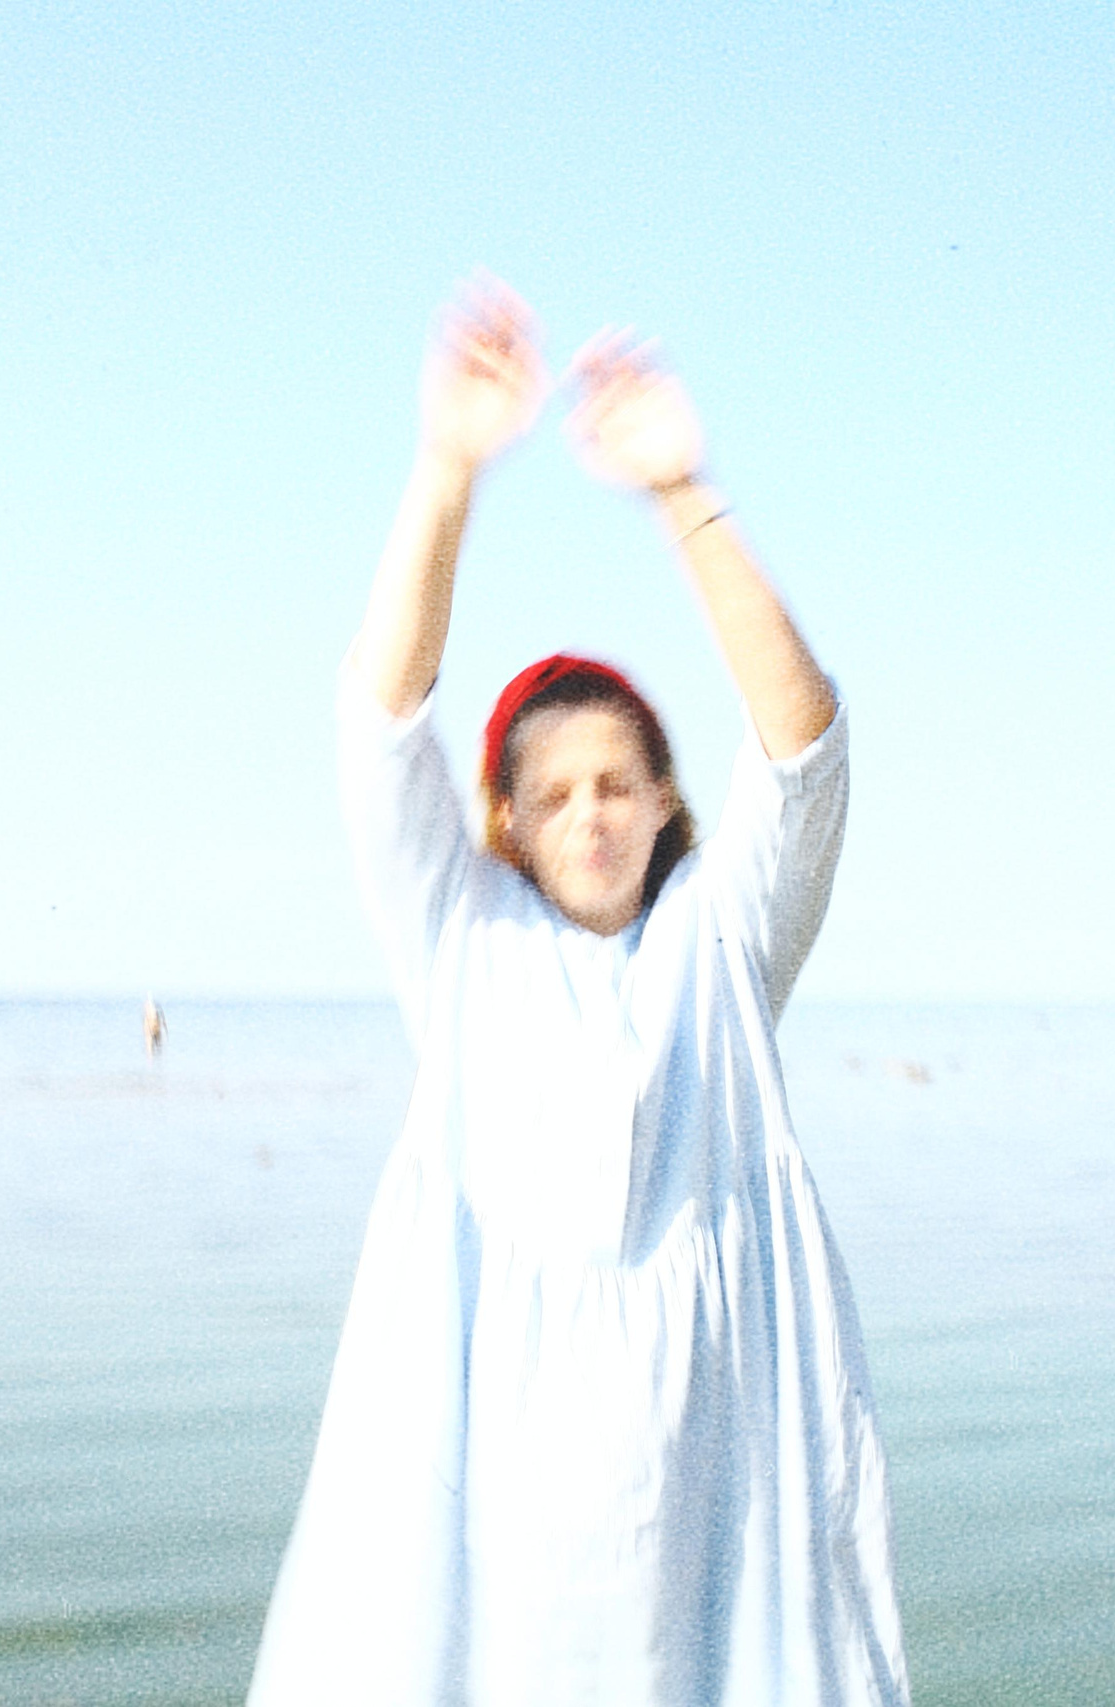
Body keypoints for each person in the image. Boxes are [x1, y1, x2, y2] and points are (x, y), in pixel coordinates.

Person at [247, 275, 908, 1707]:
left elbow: (805, 745)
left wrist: (683, 493)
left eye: (619, 783)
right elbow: (380, 724)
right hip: (491, 1505)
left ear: (669, 799)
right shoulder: (462, 939)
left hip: (706, 1503)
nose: (592, 814)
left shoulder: (723, 946)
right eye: (553, 795)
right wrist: (448, 468)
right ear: (506, 822)